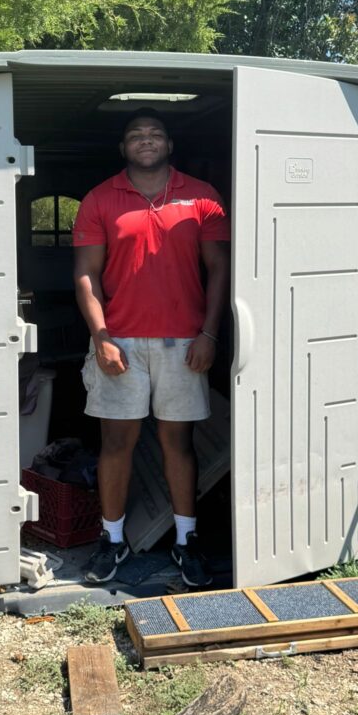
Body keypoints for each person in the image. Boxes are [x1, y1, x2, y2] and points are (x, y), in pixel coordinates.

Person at [73, 108, 230, 586]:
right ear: (123, 148)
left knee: (176, 442)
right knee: (116, 443)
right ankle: (112, 539)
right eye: (136, 135)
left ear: (168, 145)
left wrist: (209, 334)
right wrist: (101, 339)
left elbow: (219, 269)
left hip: (184, 344)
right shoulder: (100, 199)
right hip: (118, 342)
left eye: (155, 134)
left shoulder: (201, 198)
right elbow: (86, 275)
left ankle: (187, 540)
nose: (146, 140)